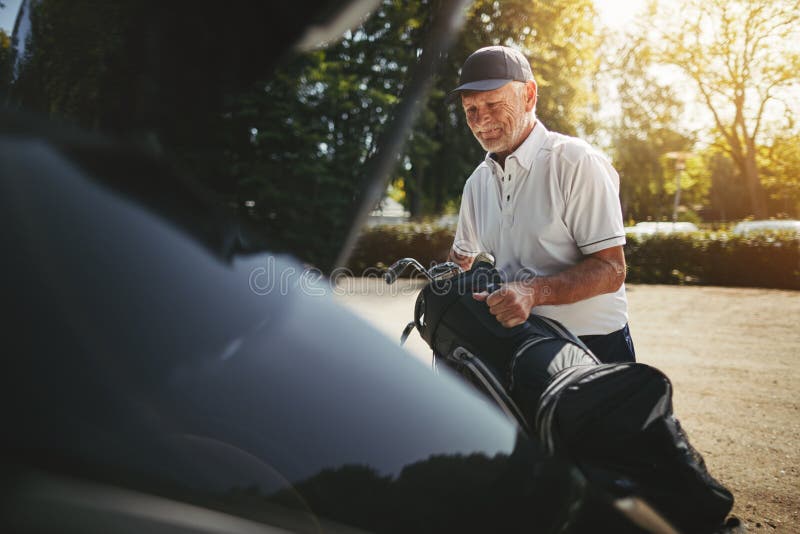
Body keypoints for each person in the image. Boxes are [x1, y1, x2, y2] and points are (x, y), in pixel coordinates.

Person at [448, 45, 635, 364]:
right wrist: (450, 275)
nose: (482, 121)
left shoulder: (575, 162)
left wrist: (531, 291)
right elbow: (460, 260)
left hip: (594, 348)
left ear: (529, 96)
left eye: (493, 103)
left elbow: (611, 269)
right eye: (471, 110)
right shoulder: (477, 183)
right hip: (520, 348)